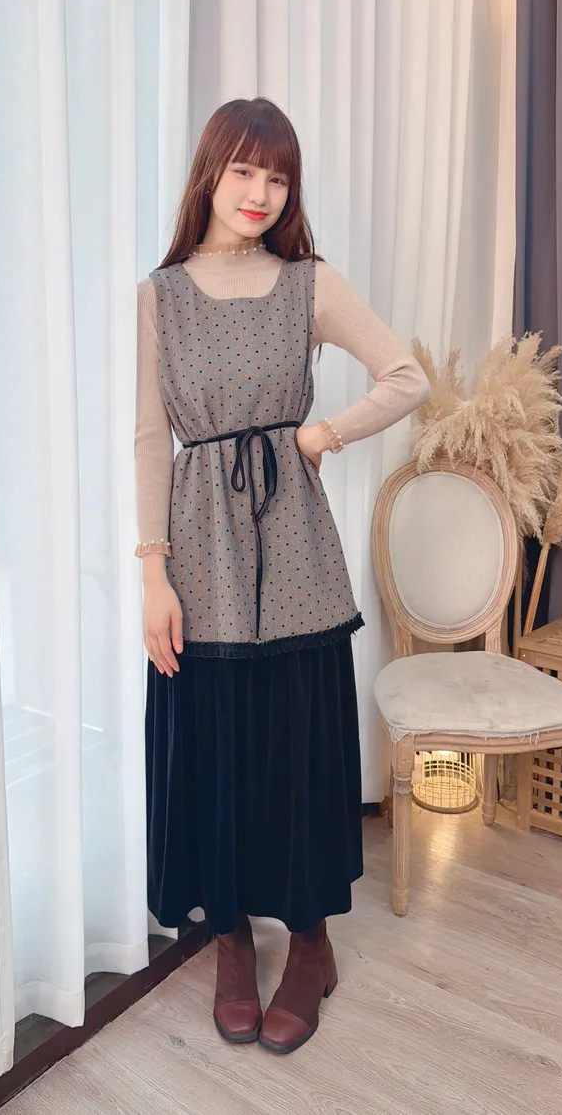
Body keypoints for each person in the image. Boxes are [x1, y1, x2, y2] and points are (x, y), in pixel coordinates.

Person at [135, 96, 429, 1055]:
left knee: (297, 745)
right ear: (211, 173)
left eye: (278, 176)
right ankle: (230, 939)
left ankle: (310, 942)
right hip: (198, 553)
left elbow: (407, 376)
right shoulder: (161, 294)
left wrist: (322, 433)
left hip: (295, 548)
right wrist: (152, 578)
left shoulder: (309, 283)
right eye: (244, 170)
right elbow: (149, 439)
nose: (260, 192)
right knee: (215, 743)